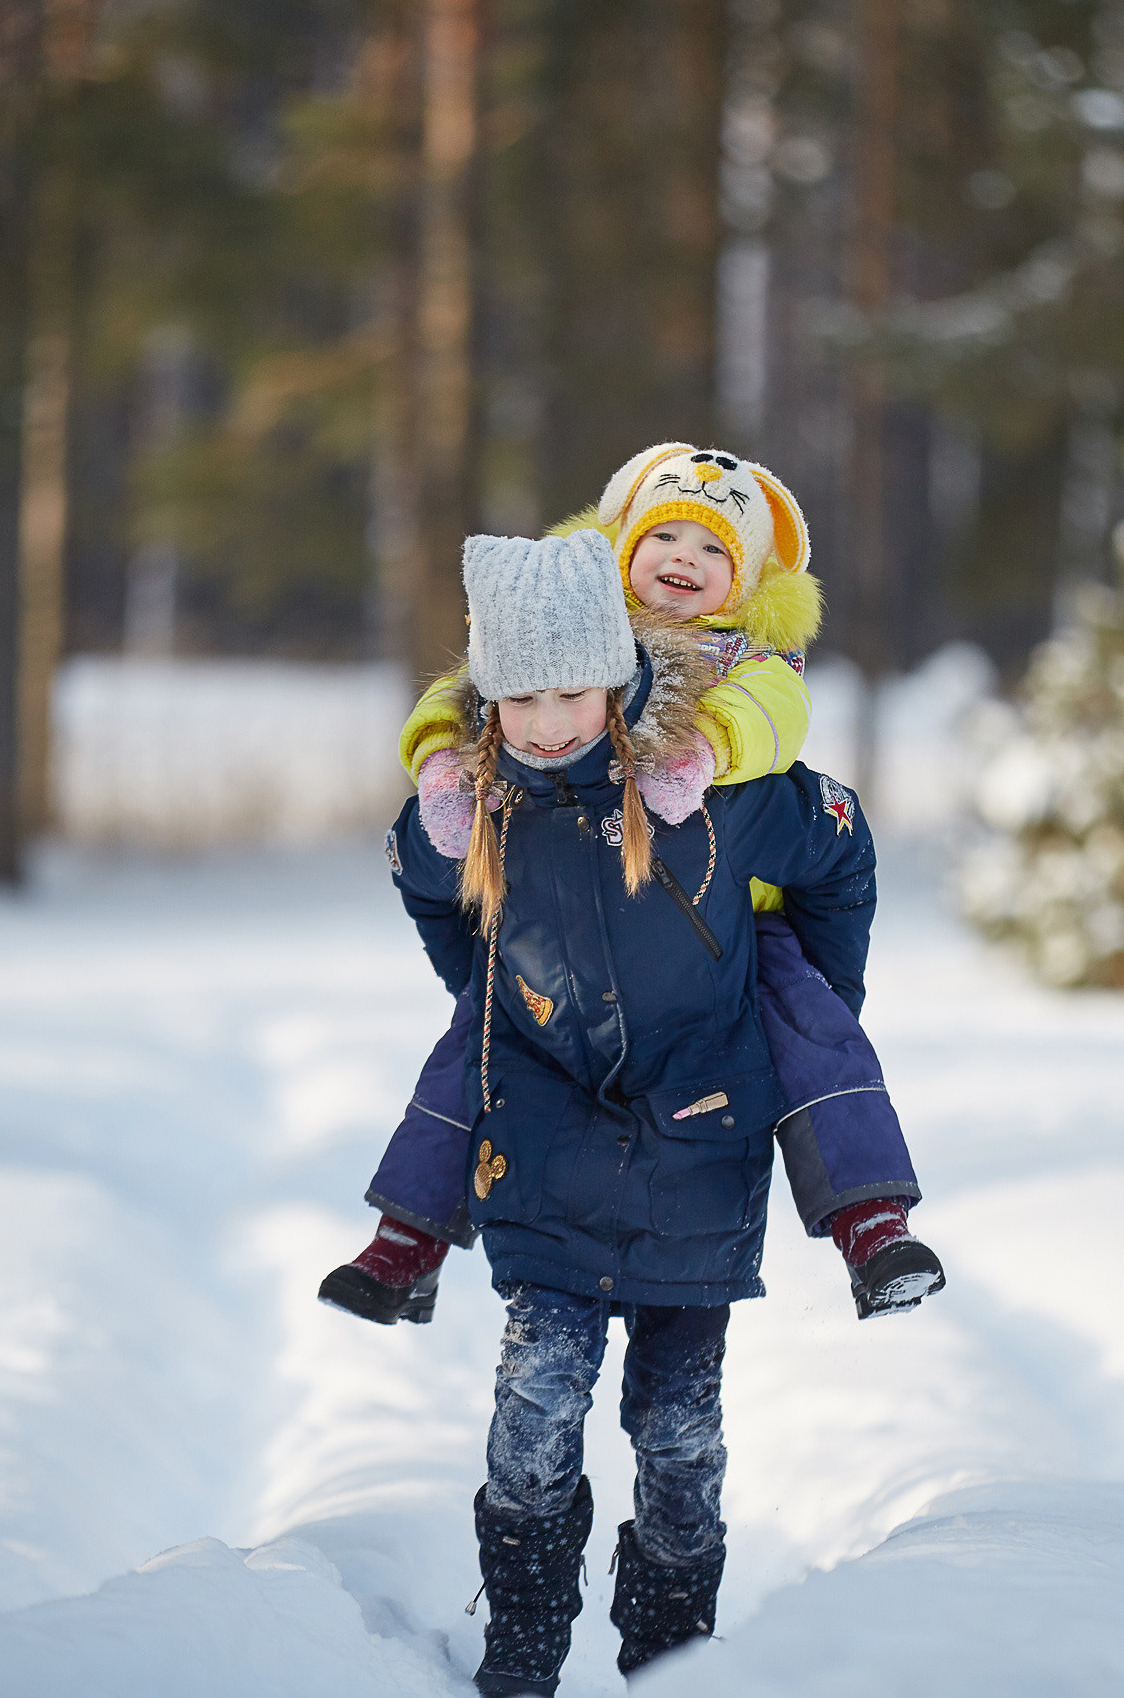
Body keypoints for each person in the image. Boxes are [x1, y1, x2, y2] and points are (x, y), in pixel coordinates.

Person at [379, 533, 880, 1691]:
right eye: (520, 698)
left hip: (698, 1144)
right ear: (488, 699)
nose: (548, 722)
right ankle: (521, 1649)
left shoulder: (717, 794)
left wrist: (807, 991)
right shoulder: (481, 799)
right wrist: (496, 995)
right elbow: (423, 885)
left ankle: (668, 1657)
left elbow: (839, 852)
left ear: (618, 680)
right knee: (532, 1420)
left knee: (678, 1436)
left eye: (571, 692)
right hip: (545, 1146)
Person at [320, 444, 940, 1325]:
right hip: (561, 908)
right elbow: (465, 688)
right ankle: (407, 1235)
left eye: (715, 547)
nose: (685, 557)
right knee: (484, 1032)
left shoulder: (751, 656)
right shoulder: (564, 625)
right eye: (666, 535)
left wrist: (706, 749)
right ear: (620, 544)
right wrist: (442, 766)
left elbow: (777, 721)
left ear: (750, 577)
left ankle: (871, 1220)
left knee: (804, 1016)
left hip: (722, 918)